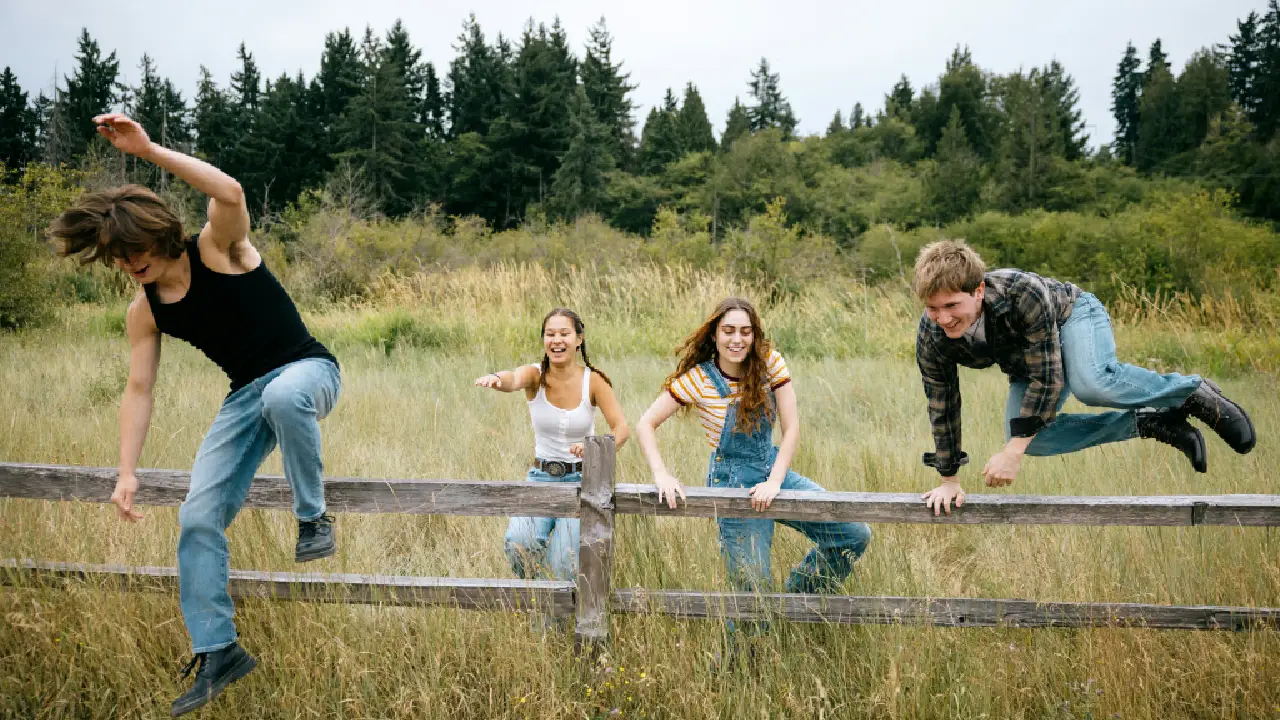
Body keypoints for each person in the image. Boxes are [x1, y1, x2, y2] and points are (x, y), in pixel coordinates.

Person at [48, 114, 342, 716]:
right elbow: (138, 390)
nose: (129, 264)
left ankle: (313, 519)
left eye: (134, 250)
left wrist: (148, 149)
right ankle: (218, 650)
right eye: (117, 258)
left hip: (308, 370)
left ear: (157, 233)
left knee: (283, 396)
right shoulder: (145, 310)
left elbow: (229, 192)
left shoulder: (216, 249)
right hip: (246, 397)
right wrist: (126, 473)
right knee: (197, 515)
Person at [913, 240, 1255, 516]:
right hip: (1029, 360)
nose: (943, 318)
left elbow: (1048, 377)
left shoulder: (1021, 292)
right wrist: (949, 479)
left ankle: (1191, 392)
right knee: (1036, 440)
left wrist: (1013, 453)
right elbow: (942, 404)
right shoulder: (932, 337)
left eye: (952, 306)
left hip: (1072, 317)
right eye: (933, 308)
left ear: (978, 291)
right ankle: (1151, 423)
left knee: (1091, 384)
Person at [634, 297, 872, 595]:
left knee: (853, 533)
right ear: (714, 335)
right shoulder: (698, 379)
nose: (737, 339)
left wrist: (774, 482)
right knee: (753, 588)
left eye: (745, 332)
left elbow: (791, 429)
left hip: (773, 470)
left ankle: (799, 598)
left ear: (754, 335)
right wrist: (662, 475)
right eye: (728, 331)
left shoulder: (770, 364)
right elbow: (645, 424)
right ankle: (759, 624)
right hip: (732, 483)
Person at [474, 308, 629, 599]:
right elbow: (513, 378)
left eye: (564, 334)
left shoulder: (593, 381)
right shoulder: (536, 375)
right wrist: (496, 378)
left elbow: (621, 428)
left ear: (579, 339)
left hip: (582, 482)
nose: (556, 340)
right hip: (541, 477)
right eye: (550, 334)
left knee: (563, 562)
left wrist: (597, 448)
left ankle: (551, 615)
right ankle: (541, 597)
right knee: (519, 544)